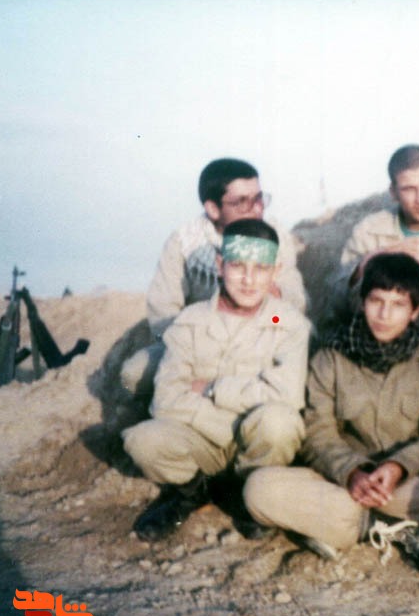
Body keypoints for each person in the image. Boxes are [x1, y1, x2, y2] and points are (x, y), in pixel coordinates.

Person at [245, 254, 419, 577]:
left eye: (398, 305)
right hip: (344, 482)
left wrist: (398, 467)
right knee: (259, 488)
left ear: (415, 311)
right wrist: (352, 472)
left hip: (408, 483)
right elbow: (318, 432)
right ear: (363, 302)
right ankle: (386, 525)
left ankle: (340, 523)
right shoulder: (330, 356)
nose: (384, 315)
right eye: (376, 301)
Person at [123, 219, 310, 542]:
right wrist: (233, 418)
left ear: (275, 272)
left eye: (261, 268)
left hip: (254, 441)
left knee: (279, 422)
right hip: (203, 441)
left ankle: (250, 494)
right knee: (143, 441)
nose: (249, 279)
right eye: (238, 266)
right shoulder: (191, 320)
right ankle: (192, 491)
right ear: (220, 265)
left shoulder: (282, 319)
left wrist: (212, 389)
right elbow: (164, 401)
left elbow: (288, 396)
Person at [120, 158, 306, 397]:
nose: (257, 209)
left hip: (264, 338)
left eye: (259, 198)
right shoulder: (185, 242)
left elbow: (296, 301)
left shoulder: (273, 237)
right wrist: (191, 346)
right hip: (198, 342)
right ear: (213, 209)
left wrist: (273, 300)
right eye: (242, 202)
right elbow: (162, 310)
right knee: (134, 374)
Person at [331, 145, 419, 341]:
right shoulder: (370, 230)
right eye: (409, 189)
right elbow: (338, 303)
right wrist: (375, 259)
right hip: (381, 338)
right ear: (393, 192)